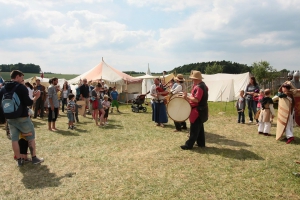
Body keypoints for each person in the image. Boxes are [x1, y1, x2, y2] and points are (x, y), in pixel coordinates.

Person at [0, 70, 44, 166]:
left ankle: (19, 160)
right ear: (17, 77)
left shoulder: (3, 88)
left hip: (10, 117)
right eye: (21, 77)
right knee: (31, 136)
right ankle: (34, 158)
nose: (22, 79)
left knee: (14, 139)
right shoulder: (21, 88)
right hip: (22, 117)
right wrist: (35, 97)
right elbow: (29, 103)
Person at [181, 70, 208, 150]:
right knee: (199, 128)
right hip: (201, 110)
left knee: (194, 129)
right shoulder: (203, 85)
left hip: (198, 110)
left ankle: (188, 145)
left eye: (193, 79)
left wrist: (187, 97)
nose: (192, 80)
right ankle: (201, 143)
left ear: (197, 79)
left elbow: (196, 99)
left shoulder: (199, 87)